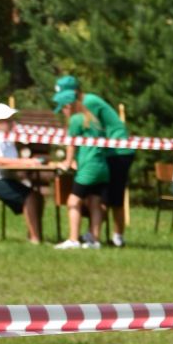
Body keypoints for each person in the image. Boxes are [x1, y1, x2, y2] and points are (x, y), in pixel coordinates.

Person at [52, 77, 134, 246]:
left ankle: (117, 237)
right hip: (103, 154)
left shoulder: (89, 103)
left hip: (118, 151)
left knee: (114, 198)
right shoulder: (84, 107)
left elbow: (78, 136)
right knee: (98, 198)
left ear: (74, 93)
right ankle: (93, 236)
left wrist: (70, 160)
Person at [0, 103, 47, 244]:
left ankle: (32, 234)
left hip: (4, 178)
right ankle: (35, 239)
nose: (12, 123)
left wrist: (24, 168)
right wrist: (27, 162)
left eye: (12, 119)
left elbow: (10, 163)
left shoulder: (7, 138)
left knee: (38, 197)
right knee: (30, 197)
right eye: (8, 120)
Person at [52, 83, 110, 249]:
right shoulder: (94, 119)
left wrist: (67, 163)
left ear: (69, 106)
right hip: (102, 167)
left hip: (88, 169)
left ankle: (73, 240)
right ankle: (95, 240)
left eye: (63, 108)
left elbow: (71, 144)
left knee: (73, 202)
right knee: (95, 202)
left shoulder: (76, 120)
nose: (63, 112)